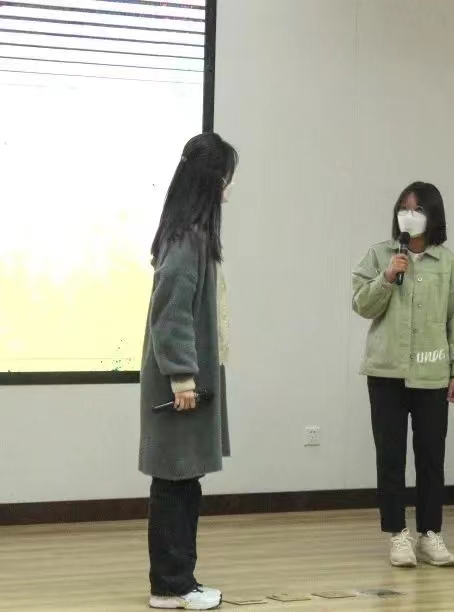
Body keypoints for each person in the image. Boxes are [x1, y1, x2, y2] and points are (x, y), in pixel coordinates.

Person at [352, 181, 454, 568]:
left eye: (418, 209)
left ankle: (430, 534)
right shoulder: (380, 255)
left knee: (431, 458)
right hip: (386, 372)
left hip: (433, 374)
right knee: (390, 457)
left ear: (433, 215)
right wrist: (387, 276)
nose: (409, 215)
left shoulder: (449, 262)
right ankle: (397, 534)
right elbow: (362, 305)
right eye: (404, 208)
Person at [140, 132, 238, 610]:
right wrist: (182, 376)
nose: (228, 188)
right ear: (209, 180)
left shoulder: (191, 233)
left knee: (184, 481)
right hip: (180, 385)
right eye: (225, 178)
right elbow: (171, 313)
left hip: (190, 381)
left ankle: (180, 581)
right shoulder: (187, 238)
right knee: (175, 482)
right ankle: (170, 586)